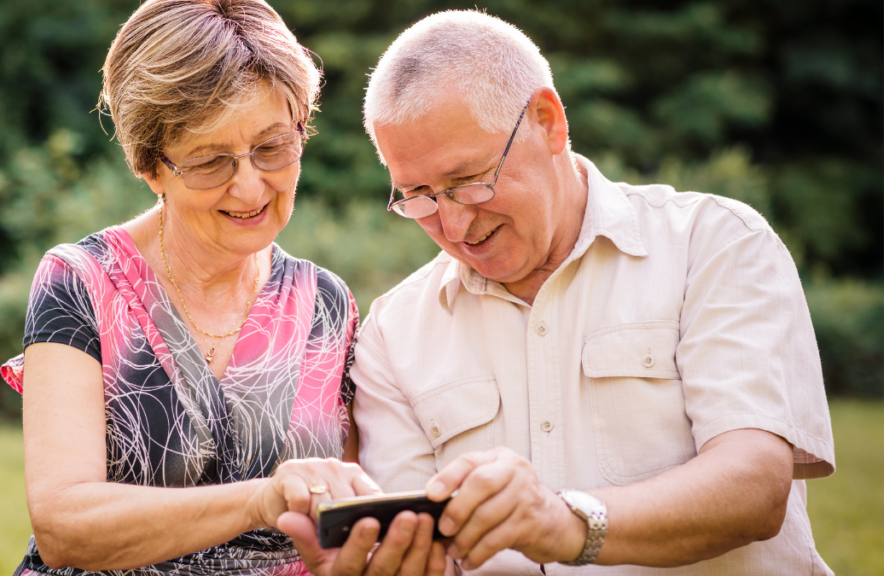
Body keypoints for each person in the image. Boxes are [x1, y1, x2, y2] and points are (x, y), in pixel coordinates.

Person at [352, 10, 835, 575]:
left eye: (468, 182)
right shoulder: (391, 332)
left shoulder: (715, 244)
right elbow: (417, 554)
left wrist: (563, 523)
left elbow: (755, 488)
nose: (453, 226)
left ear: (547, 122)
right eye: (418, 195)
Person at [0, 1, 446, 575]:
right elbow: (64, 525)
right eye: (210, 161)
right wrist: (259, 499)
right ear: (150, 166)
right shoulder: (82, 281)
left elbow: (350, 513)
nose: (249, 185)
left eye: (272, 146)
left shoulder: (327, 305)